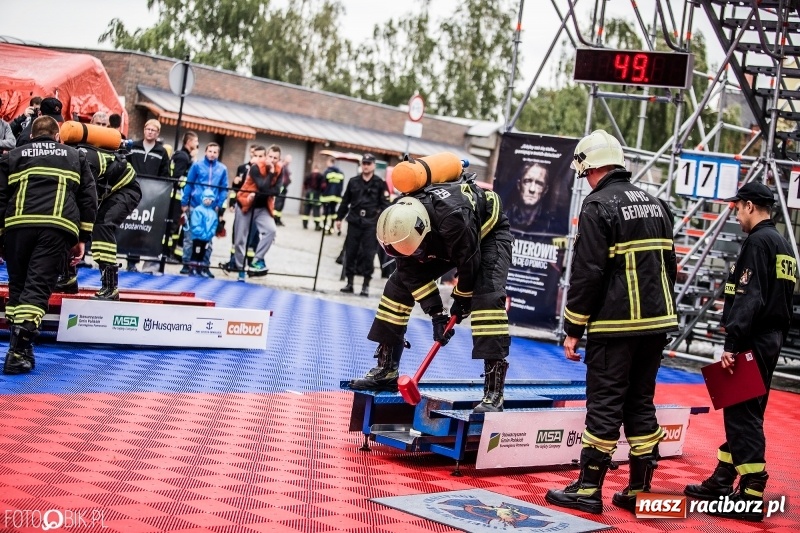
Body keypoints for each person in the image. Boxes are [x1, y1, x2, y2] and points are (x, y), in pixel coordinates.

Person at [544, 130, 678, 514]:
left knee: (604, 404)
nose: (584, 180)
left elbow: (587, 274)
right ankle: (641, 490)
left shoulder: (598, 205)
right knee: (640, 402)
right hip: (655, 325)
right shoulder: (657, 204)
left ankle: (588, 490)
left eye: (583, 173)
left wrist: (572, 328)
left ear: (592, 167)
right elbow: (669, 268)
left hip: (615, 327)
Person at [348, 171, 513, 414]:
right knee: (396, 287)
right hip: (438, 238)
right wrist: (436, 314)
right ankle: (386, 370)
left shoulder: (455, 219)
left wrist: (461, 300)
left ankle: (493, 392)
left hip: (485, 231)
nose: (416, 258)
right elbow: (410, 274)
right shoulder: (399, 222)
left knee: (487, 297)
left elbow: (469, 264)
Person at [683, 181, 795, 522]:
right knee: (747, 412)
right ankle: (721, 479)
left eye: (737, 206)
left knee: (741, 412)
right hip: (769, 340)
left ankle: (751, 490)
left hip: (751, 340)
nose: (735, 211)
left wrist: (732, 343)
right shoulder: (783, 245)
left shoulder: (758, 242)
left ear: (749, 206)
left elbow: (749, 297)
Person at [0, 116, 97, 374]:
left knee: (19, 289)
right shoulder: (75, 156)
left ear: (31, 136)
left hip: (17, 228)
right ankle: (17, 353)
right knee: (37, 289)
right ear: (57, 137)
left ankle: (21, 349)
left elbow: (0, 197)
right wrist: (81, 239)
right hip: (55, 229)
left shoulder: (13, 156)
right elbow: (89, 198)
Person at [55, 134, 141, 300]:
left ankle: (110, 287)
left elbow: (89, 202)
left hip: (126, 189)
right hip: (105, 191)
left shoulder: (86, 162)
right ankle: (68, 278)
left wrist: (82, 240)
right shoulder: (69, 158)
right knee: (67, 221)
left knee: (102, 225)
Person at [335, 154, 390, 297]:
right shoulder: (353, 181)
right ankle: (350, 283)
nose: (366, 165)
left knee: (368, 255)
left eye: (368, 163)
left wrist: (384, 223)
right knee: (351, 252)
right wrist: (339, 218)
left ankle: (366, 285)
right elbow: (345, 200)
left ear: (373, 165)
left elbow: (385, 205)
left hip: (370, 223)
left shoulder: (379, 183)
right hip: (354, 221)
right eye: (364, 163)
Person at [126, 119, 171, 272]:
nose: (150, 132)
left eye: (154, 130)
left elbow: (166, 174)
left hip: (151, 197)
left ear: (158, 133)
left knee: (145, 229)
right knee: (130, 227)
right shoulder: (134, 147)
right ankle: (131, 262)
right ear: (144, 130)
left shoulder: (161, 152)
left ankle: (147, 262)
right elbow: (126, 165)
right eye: (148, 129)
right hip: (133, 192)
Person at [233, 145, 283, 281]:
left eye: (275, 158)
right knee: (240, 240)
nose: (272, 160)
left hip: (262, 207)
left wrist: (268, 187)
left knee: (271, 230)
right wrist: (271, 173)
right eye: (270, 157)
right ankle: (240, 269)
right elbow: (263, 186)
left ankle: (257, 260)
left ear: (279, 159)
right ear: (266, 156)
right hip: (245, 204)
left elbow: (277, 190)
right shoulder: (255, 167)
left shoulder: (280, 169)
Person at [181, 142, 228, 277]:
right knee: (190, 236)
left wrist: (219, 203)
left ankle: (204, 265)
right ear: (205, 152)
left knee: (208, 237)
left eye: (215, 152)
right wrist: (185, 202)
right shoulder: (197, 166)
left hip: (212, 209)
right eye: (210, 151)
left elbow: (224, 188)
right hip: (195, 205)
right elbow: (189, 184)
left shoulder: (222, 169)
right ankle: (187, 263)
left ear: (218, 154)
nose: (212, 154)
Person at [169, 131, 199, 261]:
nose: (197, 145)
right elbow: (178, 178)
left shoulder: (185, 156)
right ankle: (167, 253)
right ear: (189, 142)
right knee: (172, 226)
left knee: (177, 227)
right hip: (177, 196)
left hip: (180, 197)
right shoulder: (182, 157)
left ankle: (173, 253)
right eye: (196, 141)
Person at [506, 162, 560, 234]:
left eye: (539, 183)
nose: (532, 189)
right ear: (519, 185)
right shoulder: (504, 217)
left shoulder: (552, 224)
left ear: (545, 190)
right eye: (527, 181)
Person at [187, 189, 219, 276]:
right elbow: (195, 223)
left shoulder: (213, 213)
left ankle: (199, 269)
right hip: (198, 237)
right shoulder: (198, 210)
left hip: (207, 238)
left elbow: (214, 224)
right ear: (202, 199)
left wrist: (211, 233)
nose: (208, 201)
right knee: (196, 252)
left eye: (210, 199)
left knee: (202, 253)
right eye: (206, 199)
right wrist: (201, 233)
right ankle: (192, 268)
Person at [321, 156, 345, 233]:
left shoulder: (327, 172)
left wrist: (322, 192)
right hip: (336, 197)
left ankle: (325, 227)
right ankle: (332, 227)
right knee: (333, 212)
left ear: (329, 162)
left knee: (325, 212)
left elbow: (323, 184)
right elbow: (341, 186)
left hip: (327, 196)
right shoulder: (341, 173)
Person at [302, 166, 325, 230]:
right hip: (316, 194)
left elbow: (304, 184)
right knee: (316, 210)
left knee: (306, 210)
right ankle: (317, 226)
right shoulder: (321, 176)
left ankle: (305, 225)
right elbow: (323, 186)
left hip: (308, 194)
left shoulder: (309, 175)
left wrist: (307, 190)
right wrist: (321, 192)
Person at [273, 153, 292, 226]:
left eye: (290, 160)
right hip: (281, 187)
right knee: (278, 204)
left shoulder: (287, 167)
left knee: (281, 205)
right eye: (288, 159)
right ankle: (274, 219)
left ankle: (278, 219)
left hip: (284, 188)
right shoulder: (282, 166)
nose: (289, 161)